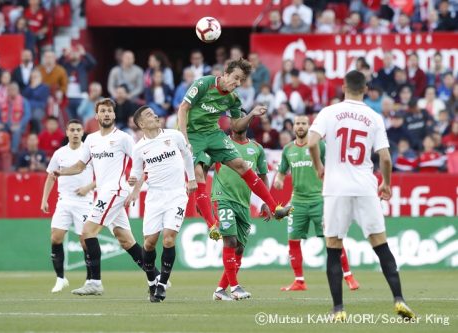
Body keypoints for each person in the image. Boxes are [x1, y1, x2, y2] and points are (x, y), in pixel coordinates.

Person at [307, 70, 415, 320]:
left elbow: (312, 142)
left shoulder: (328, 112)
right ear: (365, 89)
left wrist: (318, 167)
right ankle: (399, 299)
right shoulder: (373, 116)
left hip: (336, 188)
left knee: (333, 247)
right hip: (366, 187)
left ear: (343, 86)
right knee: (381, 245)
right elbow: (385, 158)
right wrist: (386, 184)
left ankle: (338, 310)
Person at [177, 58, 292, 241]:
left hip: (213, 133)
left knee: (241, 165)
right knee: (198, 174)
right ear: (225, 73)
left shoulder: (233, 99)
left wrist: (252, 114)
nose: (237, 83)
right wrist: (183, 137)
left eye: (241, 81)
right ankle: (212, 225)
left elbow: (236, 125)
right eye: (236, 78)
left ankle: (274, 207)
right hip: (192, 135)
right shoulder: (204, 84)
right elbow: (183, 108)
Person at [52, 98, 151, 296]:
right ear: (96, 116)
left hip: (115, 191)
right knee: (126, 240)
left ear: (114, 115)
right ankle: (156, 277)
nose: (106, 114)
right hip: (103, 193)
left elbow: (142, 162)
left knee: (87, 232)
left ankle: (95, 282)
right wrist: (61, 172)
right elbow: (80, 166)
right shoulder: (91, 139)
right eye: (103, 111)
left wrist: (135, 190)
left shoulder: (123, 138)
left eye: (109, 111)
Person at [274, 115, 359, 292]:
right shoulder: (288, 149)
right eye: (297, 123)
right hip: (297, 202)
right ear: (293, 127)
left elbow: (334, 166)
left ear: (309, 126)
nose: (300, 126)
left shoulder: (319, 145)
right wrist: (279, 181)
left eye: (303, 123)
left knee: (332, 239)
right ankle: (299, 281)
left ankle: (349, 276)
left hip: (319, 201)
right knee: (293, 241)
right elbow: (282, 171)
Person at [125, 106, 196, 302]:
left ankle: (162, 285)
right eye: (149, 115)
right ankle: (151, 283)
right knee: (148, 244)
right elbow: (137, 172)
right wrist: (132, 181)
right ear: (140, 124)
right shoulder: (139, 148)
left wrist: (191, 179)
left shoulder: (174, 136)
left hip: (176, 195)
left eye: (154, 113)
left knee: (168, 239)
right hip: (155, 198)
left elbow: (187, 155)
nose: (155, 115)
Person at [211, 123, 271, 301]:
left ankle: (220, 290)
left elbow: (262, 176)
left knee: (239, 247)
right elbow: (203, 166)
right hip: (222, 198)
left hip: (243, 203)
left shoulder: (257, 149)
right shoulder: (220, 143)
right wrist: (201, 196)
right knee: (230, 240)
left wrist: (265, 202)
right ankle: (235, 287)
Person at [41, 119, 95, 293]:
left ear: (82, 132)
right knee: (56, 238)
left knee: (85, 242)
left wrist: (88, 187)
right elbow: (51, 176)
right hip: (64, 201)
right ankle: (60, 278)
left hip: (85, 202)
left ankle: (90, 280)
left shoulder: (90, 152)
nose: (75, 133)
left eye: (78, 130)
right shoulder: (59, 153)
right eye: (72, 130)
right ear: (67, 132)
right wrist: (44, 199)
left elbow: (103, 176)